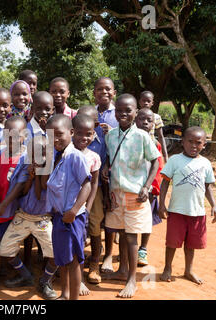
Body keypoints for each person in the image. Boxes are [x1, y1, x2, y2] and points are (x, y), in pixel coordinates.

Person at [101, 94, 160, 298]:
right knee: (121, 231)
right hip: (115, 193)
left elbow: (155, 161)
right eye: (119, 110)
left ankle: (132, 281)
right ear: (114, 111)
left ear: (135, 112)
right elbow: (109, 157)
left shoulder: (142, 136)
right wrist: (106, 167)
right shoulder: (111, 135)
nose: (123, 114)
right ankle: (122, 270)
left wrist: (146, 186)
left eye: (128, 110)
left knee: (132, 236)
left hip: (135, 193)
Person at [0, 135, 59, 300]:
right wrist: (31, 177)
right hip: (23, 216)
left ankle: (45, 281)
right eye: (34, 154)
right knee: (5, 250)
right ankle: (25, 275)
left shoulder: (52, 169)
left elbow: (40, 195)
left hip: (42, 219)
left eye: (42, 153)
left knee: (56, 255)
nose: (38, 158)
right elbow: (24, 192)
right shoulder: (26, 166)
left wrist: (38, 176)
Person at [159, 126, 216, 285]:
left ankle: (188, 270)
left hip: (197, 212)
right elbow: (165, 183)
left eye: (198, 143)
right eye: (190, 142)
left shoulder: (205, 163)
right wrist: (161, 204)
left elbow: (207, 187)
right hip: (176, 210)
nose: (194, 145)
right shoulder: (175, 160)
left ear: (204, 145)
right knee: (172, 242)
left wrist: (213, 205)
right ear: (182, 142)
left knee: (191, 244)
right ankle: (167, 268)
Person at [44, 114, 92, 300]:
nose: (54, 139)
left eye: (59, 134)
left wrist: (73, 210)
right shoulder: (57, 156)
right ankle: (64, 294)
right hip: (59, 217)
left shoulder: (75, 156)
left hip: (72, 218)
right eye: (50, 135)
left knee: (73, 262)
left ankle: (73, 298)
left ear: (71, 133)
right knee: (62, 259)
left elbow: (87, 184)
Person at [0, 116, 29, 293]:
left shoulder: (25, 158)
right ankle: (0, 269)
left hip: (14, 209)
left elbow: (20, 186)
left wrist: (3, 205)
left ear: (24, 136)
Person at [75, 106, 109, 278]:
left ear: (96, 124)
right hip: (73, 191)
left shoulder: (103, 139)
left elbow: (107, 160)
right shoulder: (72, 142)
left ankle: (95, 261)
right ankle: (72, 262)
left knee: (94, 224)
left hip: (95, 190)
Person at [23, 91, 54, 266]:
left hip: (47, 186)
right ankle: (26, 259)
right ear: (32, 108)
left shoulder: (53, 129)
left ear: (52, 110)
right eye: (39, 108)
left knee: (46, 224)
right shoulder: (26, 130)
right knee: (28, 222)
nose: (43, 112)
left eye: (47, 109)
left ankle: (44, 259)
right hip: (30, 181)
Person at [72, 114, 101, 291]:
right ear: (72, 132)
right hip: (64, 208)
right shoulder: (65, 152)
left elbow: (94, 183)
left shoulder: (94, 157)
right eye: (80, 134)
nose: (84, 138)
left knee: (80, 243)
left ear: (94, 134)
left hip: (82, 210)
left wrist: (88, 208)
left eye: (88, 134)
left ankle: (80, 279)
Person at [93, 77, 119, 270]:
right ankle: (95, 248)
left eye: (108, 89)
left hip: (112, 173)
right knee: (95, 213)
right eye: (100, 89)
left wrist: (111, 132)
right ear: (94, 93)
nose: (104, 92)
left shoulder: (119, 114)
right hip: (92, 174)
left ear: (114, 92)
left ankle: (109, 255)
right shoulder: (89, 113)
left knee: (111, 213)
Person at [135, 108, 164, 266]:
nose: (145, 123)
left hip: (149, 191)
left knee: (147, 221)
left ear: (154, 124)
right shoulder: (129, 140)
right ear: (135, 120)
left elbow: (158, 169)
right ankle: (128, 253)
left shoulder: (156, 144)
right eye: (141, 119)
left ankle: (143, 249)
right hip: (131, 190)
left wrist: (153, 189)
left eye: (149, 120)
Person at [138, 90, 169, 163]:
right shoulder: (135, 116)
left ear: (152, 103)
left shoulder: (156, 117)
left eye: (148, 101)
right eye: (143, 101)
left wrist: (165, 155)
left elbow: (161, 136)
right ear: (139, 102)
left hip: (151, 149)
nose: (146, 103)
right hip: (137, 148)